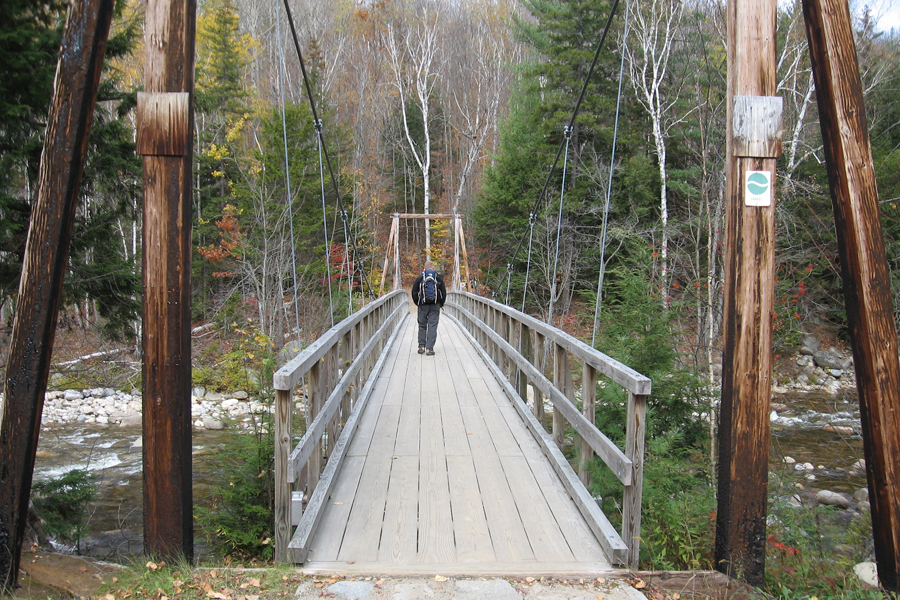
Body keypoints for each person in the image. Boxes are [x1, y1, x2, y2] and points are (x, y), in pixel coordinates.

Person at [411, 259, 446, 356]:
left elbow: (414, 291)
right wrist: (441, 303)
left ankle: (421, 346)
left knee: (422, 325)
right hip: (435, 305)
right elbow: (443, 292)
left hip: (423, 305)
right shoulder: (438, 278)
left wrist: (417, 303)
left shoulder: (420, 278)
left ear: (424, 268)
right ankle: (429, 348)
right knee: (432, 326)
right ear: (433, 268)